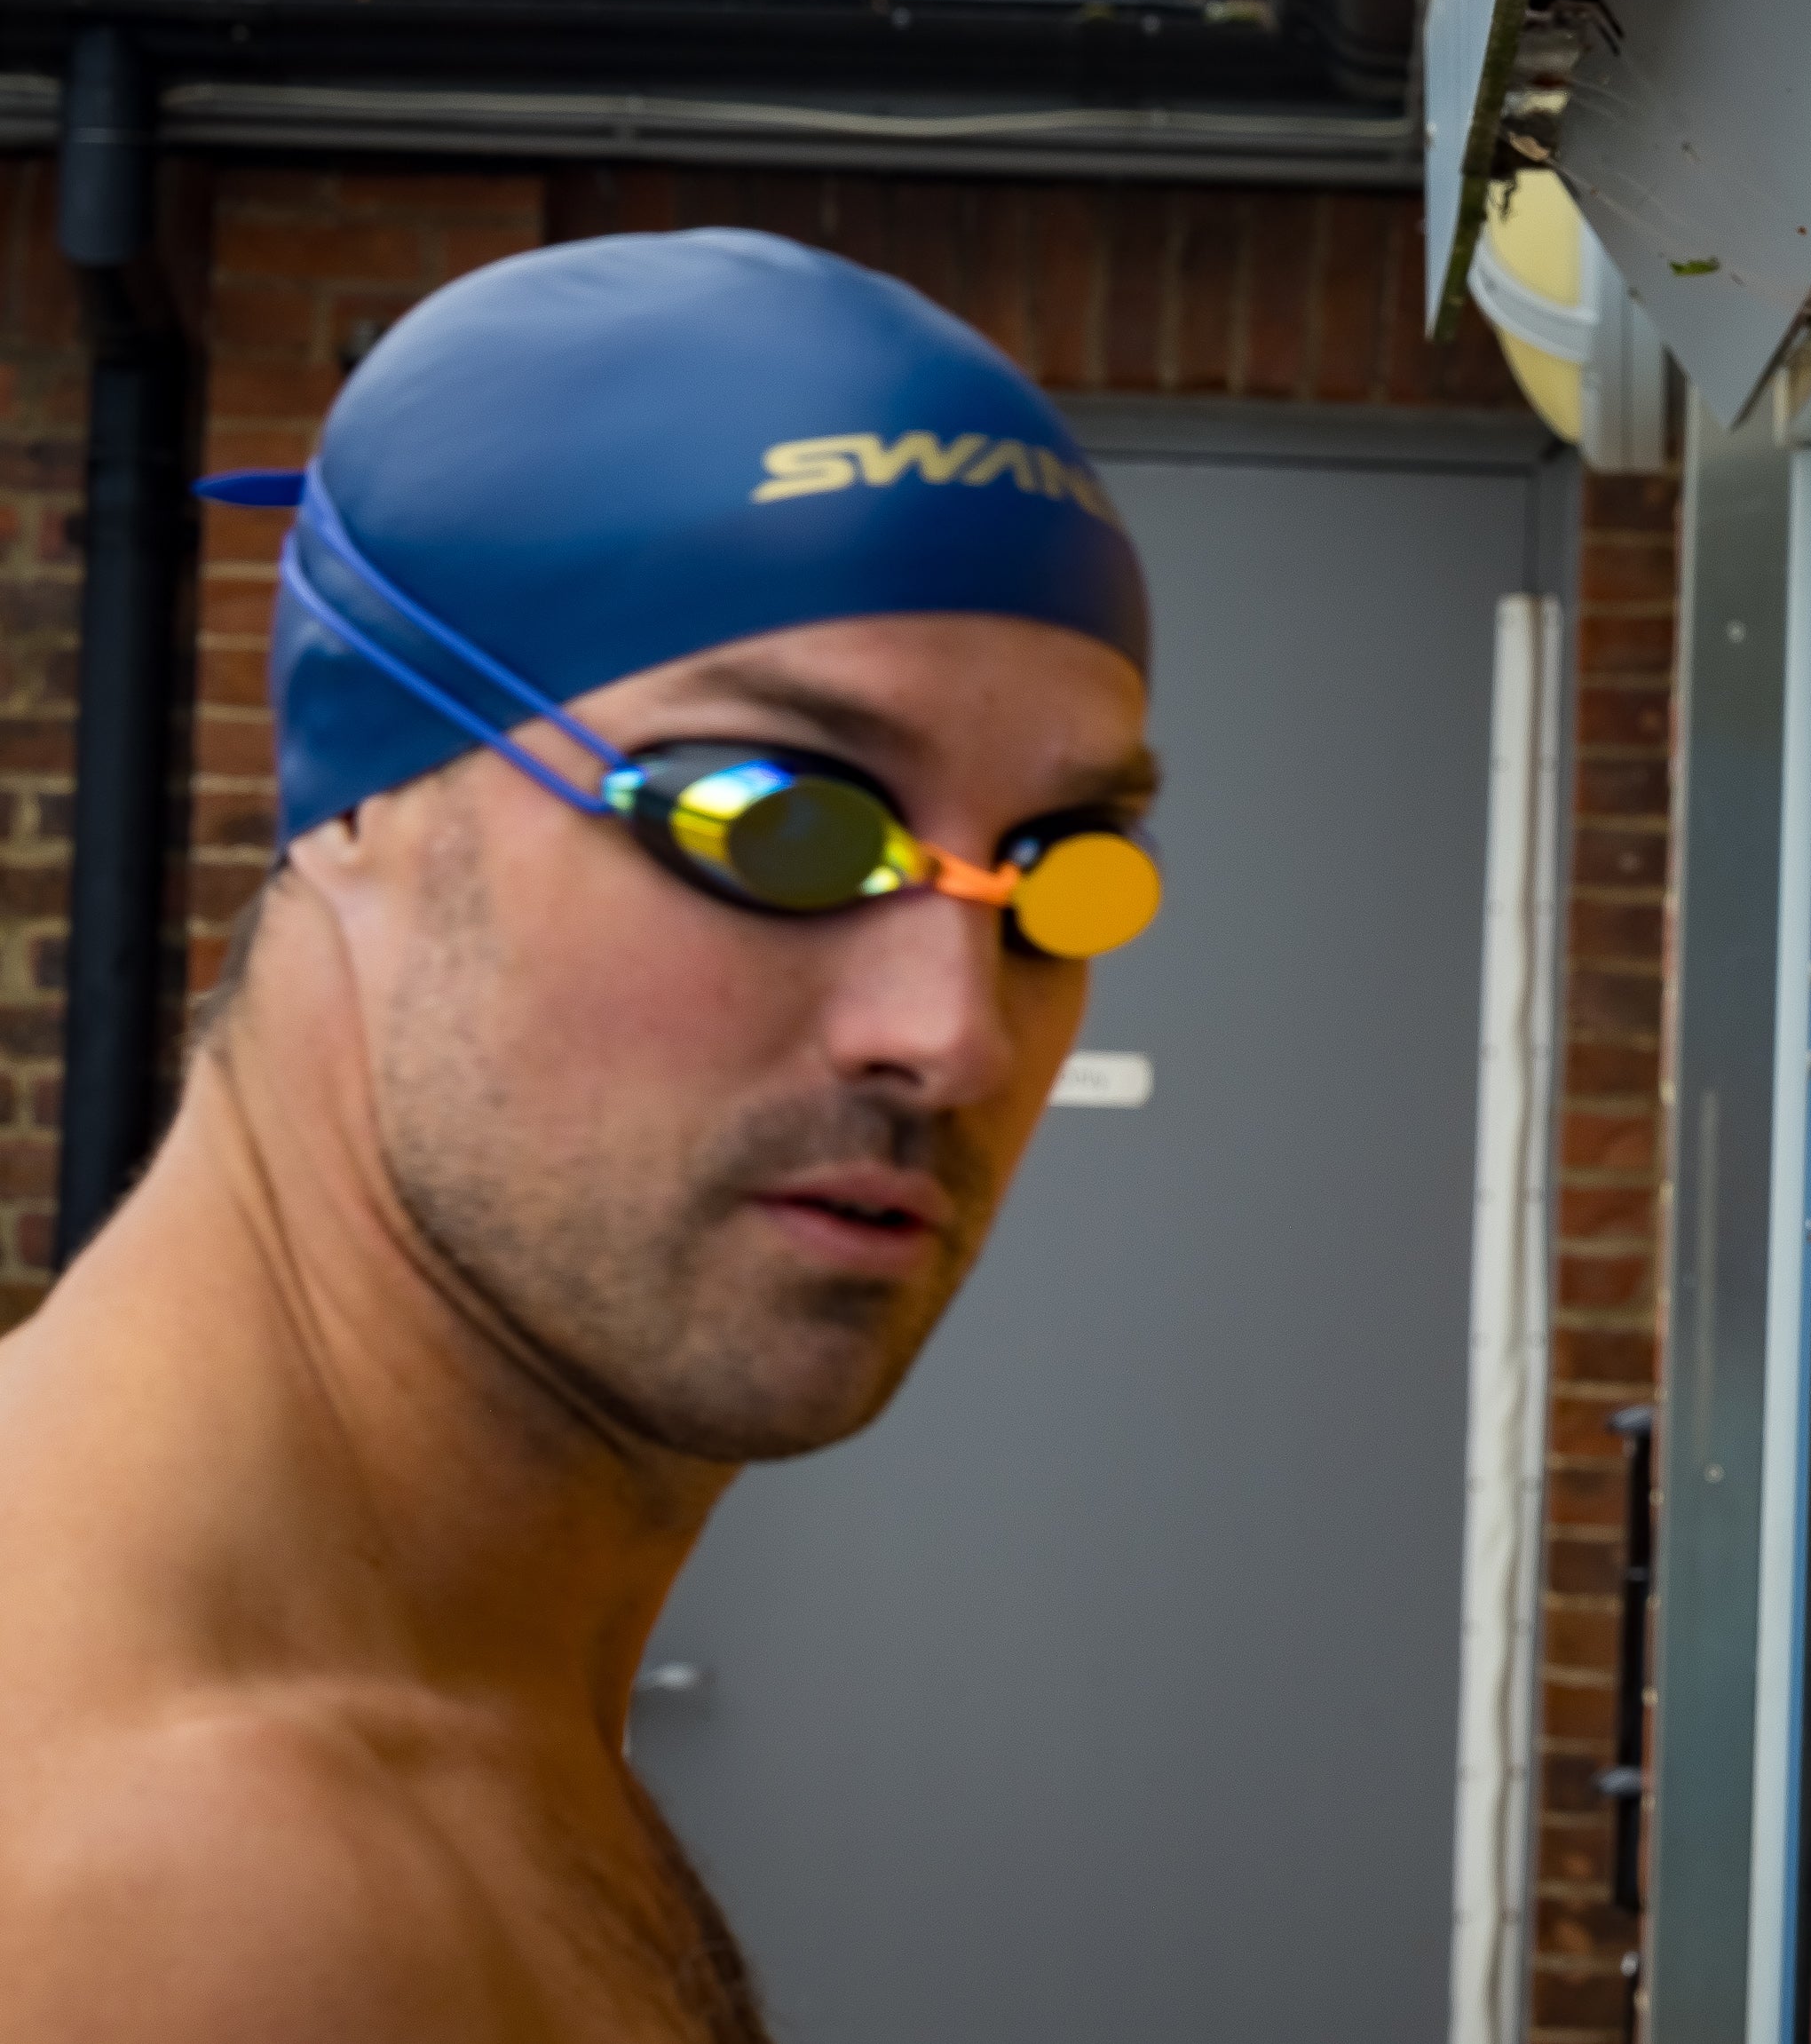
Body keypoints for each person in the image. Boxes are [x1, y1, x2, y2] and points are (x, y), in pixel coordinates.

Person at [0, 231, 1163, 2042]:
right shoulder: (171, 1898)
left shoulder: (438, 1699)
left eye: (1057, 875)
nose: (949, 1032)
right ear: (364, 797)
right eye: (774, 823)